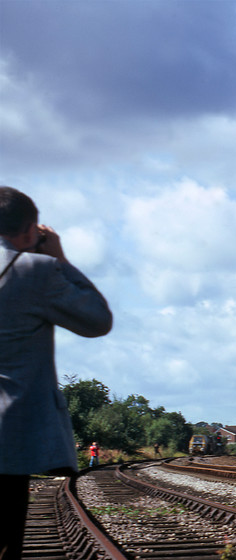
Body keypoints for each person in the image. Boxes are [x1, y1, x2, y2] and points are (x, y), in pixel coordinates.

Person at [0, 187, 112, 560]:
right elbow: (97, 319)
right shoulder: (37, 271)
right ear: (31, 230)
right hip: (8, 438)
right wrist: (59, 258)